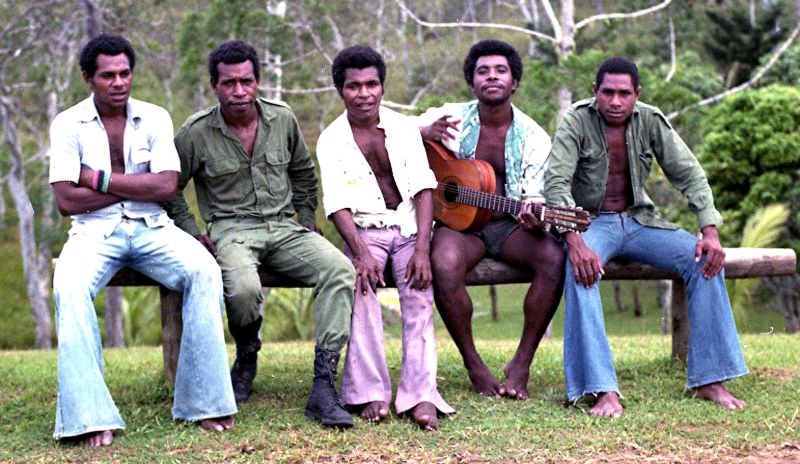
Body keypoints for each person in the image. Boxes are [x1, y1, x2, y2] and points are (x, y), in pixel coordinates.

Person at [49, 34, 236, 447]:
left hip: (153, 229)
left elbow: (167, 186)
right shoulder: (67, 123)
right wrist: (138, 185)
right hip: (93, 232)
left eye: (125, 73)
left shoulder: (155, 117)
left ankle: (204, 403)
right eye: (108, 75)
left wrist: (95, 178)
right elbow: (66, 200)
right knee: (69, 286)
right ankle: (89, 417)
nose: (119, 82)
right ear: (88, 78)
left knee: (205, 270)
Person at [165, 40, 355, 428]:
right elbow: (169, 188)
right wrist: (192, 233)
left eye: (246, 81)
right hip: (232, 230)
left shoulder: (281, 119)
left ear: (258, 82)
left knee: (338, 269)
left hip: (284, 226)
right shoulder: (195, 133)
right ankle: (247, 354)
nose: (239, 91)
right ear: (214, 86)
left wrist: (305, 215)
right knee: (243, 289)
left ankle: (323, 383)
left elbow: (303, 172)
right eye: (229, 83)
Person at [544, 56, 748, 418]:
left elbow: (689, 174)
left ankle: (708, 379)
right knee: (581, 271)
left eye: (625, 93)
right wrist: (573, 240)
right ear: (595, 91)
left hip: (639, 220)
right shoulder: (576, 119)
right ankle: (602, 388)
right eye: (608, 92)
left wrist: (710, 230)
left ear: (637, 94)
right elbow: (556, 182)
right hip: (591, 223)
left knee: (704, 259)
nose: (616, 101)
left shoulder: (650, 120)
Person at [416, 39, 565, 399]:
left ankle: (521, 364)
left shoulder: (533, 137)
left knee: (552, 257)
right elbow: (388, 130)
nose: (492, 77)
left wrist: (534, 213)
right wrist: (420, 133)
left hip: (510, 224)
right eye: (483, 71)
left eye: (501, 71)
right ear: (472, 81)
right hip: (459, 226)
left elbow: (534, 196)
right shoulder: (450, 118)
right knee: (444, 262)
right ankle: (474, 364)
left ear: (514, 82)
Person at [317, 45, 455, 431]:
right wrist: (359, 253)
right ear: (340, 90)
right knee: (359, 288)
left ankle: (421, 395)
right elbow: (337, 204)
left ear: (382, 86)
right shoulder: (331, 140)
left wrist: (424, 249)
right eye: (354, 86)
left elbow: (424, 189)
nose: (364, 94)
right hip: (365, 229)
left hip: (409, 226)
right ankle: (370, 392)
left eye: (372, 84)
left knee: (419, 295)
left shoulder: (402, 128)